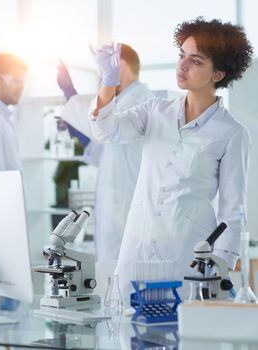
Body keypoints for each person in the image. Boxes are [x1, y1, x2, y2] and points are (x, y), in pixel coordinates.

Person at [89, 18, 254, 299]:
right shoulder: (155, 111)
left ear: (218, 74)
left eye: (196, 61)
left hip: (186, 253)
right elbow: (106, 130)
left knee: (183, 331)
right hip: (138, 248)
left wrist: (220, 263)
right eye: (182, 55)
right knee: (129, 325)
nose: (183, 65)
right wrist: (108, 84)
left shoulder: (231, 133)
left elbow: (233, 210)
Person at [57, 44, 154, 261]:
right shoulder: (124, 99)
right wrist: (79, 132)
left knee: (121, 272)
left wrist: (70, 95)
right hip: (117, 202)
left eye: (105, 68)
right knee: (110, 271)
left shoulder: (138, 100)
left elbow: (105, 126)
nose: (102, 75)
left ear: (120, 64)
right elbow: (104, 150)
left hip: (126, 204)